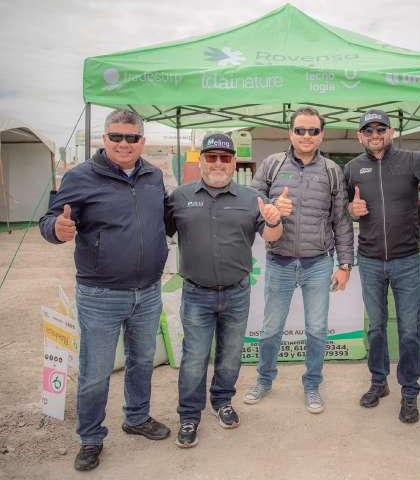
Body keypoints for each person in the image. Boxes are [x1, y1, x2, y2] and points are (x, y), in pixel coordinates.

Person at [39, 109, 170, 472]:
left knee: (142, 361)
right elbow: (49, 219)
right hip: (100, 295)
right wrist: (56, 230)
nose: (123, 144)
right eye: (116, 136)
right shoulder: (80, 176)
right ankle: (91, 437)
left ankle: (137, 417)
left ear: (142, 141)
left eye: (131, 137)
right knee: (96, 371)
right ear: (104, 138)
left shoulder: (153, 176)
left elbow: (162, 220)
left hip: (148, 291)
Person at [166, 133, 283, 448]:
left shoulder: (251, 198)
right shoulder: (179, 197)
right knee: (194, 357)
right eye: (212, 157)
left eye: (225, 158)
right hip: (196, 294)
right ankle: (189, 415)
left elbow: (272, 236)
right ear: (201, 160)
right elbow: (159, 231)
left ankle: (222, 401)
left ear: (233, 163)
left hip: (237, 292)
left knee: (231, 354)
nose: (218, 163)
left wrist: (275, 221)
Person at [244, 106, 354, 413]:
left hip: (318, 263)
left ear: (322, 135)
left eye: (313, 131)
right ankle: (264, 380)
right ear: (290, 133)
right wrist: (272, 207)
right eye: (300, 130)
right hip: (279, 261)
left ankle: (312, 384)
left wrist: (345, 264)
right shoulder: (272, 164)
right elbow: (251, 203)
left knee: (317, 329)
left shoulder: (331, 171)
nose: (306, 136)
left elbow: (341, 221)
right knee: (270, 329)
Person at [343, 109, 420, 423]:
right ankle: (378, 382)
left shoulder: (412, 160)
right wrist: (351, 208)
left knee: (409, 330)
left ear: (391, 132)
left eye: (380, 129)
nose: (375, 135)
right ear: (360, 136)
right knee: (376, 327)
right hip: (370, 260)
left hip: (406, 260)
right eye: (368, 131)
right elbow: (342, 206)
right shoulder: (352, 168)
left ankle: (409, 391)